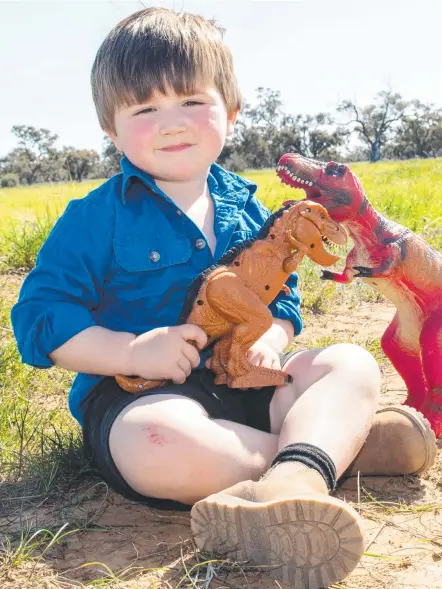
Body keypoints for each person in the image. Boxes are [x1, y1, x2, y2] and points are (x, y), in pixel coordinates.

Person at [11, 8, 436, 589]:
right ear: (110, 129)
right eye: (144, 109)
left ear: (230, 113)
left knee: (349, 361)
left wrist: (273, 335)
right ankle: (326, 457)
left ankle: (295, 477)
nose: (171, 123)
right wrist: (133, 352)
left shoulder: (249, 208)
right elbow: (40, 319)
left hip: (248, 387)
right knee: (158, 443)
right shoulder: (94, 219)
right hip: (144, 401)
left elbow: (282, 294)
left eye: (191, 101)